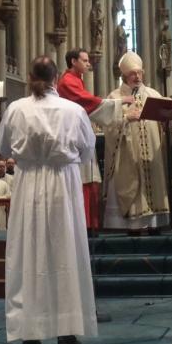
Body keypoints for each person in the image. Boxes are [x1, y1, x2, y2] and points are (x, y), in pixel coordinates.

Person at [0, 55, 98, 344]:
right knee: (64, 252)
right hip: (63, 185)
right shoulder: (73, 110)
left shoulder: (16, 109)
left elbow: (4, 147)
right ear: (56, 79)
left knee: (28, 254)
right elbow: (88, 150)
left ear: (30, 77)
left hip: (28, 183)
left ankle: (30, 333)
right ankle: (67, 333)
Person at [104, 52, 170, 233]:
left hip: (151, 157)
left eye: (140, 72)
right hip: (128, 157)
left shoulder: (153, 94)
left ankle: (154, 226)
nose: (137, 76)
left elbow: (163, 123)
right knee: (131, 186)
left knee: (153, 188)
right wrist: (125, 118)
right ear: (124, 75)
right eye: (133, 73)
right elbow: (107, 127)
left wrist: (167, 117)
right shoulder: (115, 97)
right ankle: (132, 228)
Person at [56, 48, 111, 231]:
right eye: (85, 60)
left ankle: (90, 223)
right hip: (74, 137)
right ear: (73, 61)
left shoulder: (77, 80)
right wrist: (115, 104)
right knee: (82, 180)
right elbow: (86, 102)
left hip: (80, 134)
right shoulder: (67, 81)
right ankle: (85, 225)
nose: (89, 63)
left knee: (89, 178)